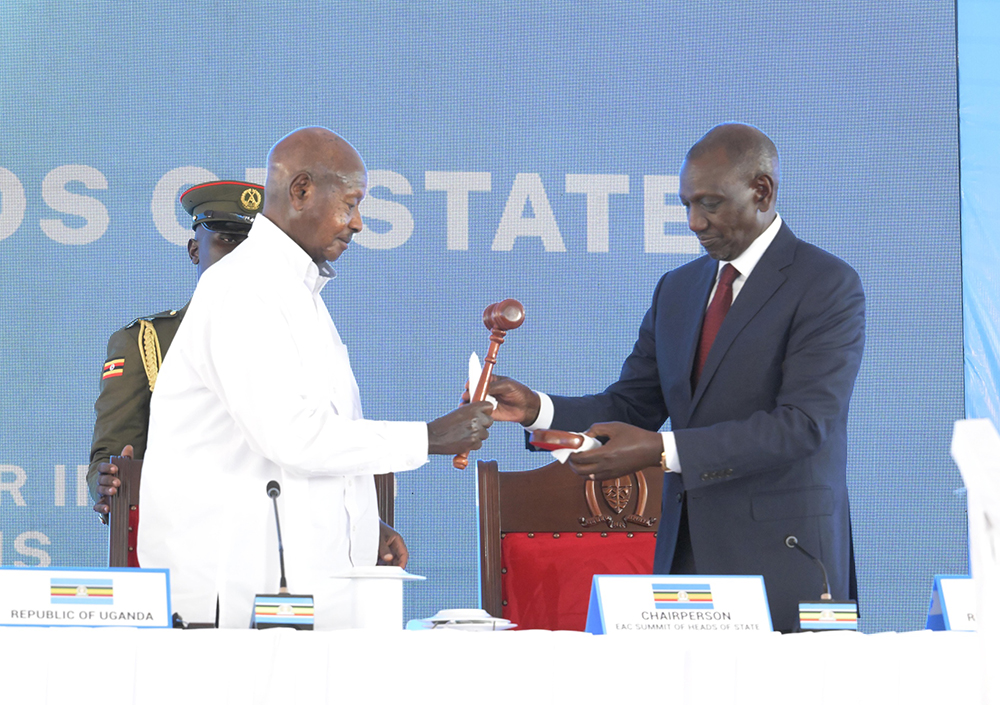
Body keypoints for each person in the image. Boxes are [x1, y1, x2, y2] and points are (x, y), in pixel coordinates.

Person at [485, 123, 865, 632]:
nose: (694, 222)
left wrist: (661, 450)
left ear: (762, 191)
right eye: (686, 204)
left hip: (791, 564)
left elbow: (803, 425)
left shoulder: (826, 284)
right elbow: (633, 405)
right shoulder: (678, 289)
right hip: (687, 558)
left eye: (710, 204)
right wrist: (537, 408)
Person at [137, 127, 494, 629]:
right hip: (233, 604)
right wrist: (429, 437)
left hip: (289, 596)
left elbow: (305, 444)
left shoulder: (295, 292)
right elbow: (292, 437)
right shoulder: (244, 289)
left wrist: (360, 524)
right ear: (301, 190)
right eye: (351, 204)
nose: (358, 223)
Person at [88, 180, 263, 518]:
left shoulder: (294, 341)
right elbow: (112, 455)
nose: (242, 255)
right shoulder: (146, 342)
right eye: (227, 240)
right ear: (195, 251)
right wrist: (107, 483)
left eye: (254, 246)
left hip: (271, 532)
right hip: (180, 532)